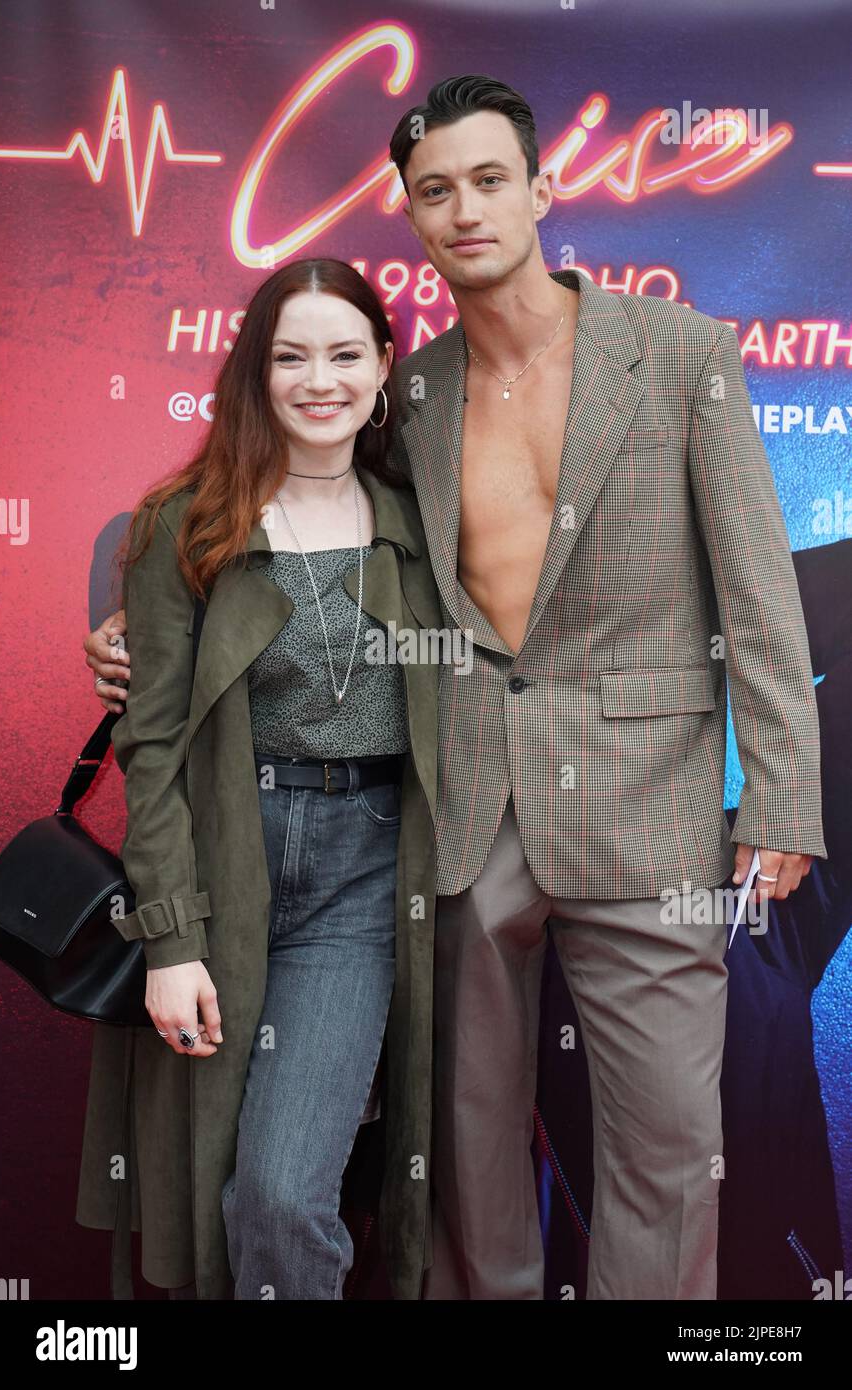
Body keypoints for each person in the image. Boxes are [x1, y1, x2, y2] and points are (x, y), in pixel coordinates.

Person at [381, 75, 825, 1300]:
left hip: (646, 799)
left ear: (540, 187)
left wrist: (782, 790)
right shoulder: (405, 396)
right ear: (409, 215)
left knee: (670, 1148)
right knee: (465, 1149)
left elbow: (756, 588)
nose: (462, 208)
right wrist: (151, 624)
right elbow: (308, 531)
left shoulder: (679, 353)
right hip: (467, 803)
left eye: (485, 180)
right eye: (434, 191)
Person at [75, 258, 441, 1300]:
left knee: (281, 1191)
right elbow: (150, 750)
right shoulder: (183, 524)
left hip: (361, 877)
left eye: (342, 353)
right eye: (289, 356)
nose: (316, 380)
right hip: (226, 859)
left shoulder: (422, 525)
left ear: (382, 366)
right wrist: (172, 938)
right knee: (204, 1185)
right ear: (254, 371)